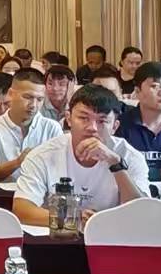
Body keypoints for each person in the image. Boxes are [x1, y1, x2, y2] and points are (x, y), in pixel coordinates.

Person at [12, 87, 147, 223]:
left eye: (102, 121)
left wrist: (115, 164)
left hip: (111, 232)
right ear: (68, 119)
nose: (92, 128)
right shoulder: (43, 155)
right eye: (83, 118)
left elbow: (141, 211)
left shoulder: (130, 156)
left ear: (114, 127)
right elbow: (22, 210)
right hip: (59, 234)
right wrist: (73, 218)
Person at [0, 68, 61, 179]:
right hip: (1, 190)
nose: (33, 105)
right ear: (11, 94)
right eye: (27, 97)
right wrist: (18, 162)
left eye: (40, 99)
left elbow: (60, 169)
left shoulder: (52, 128)